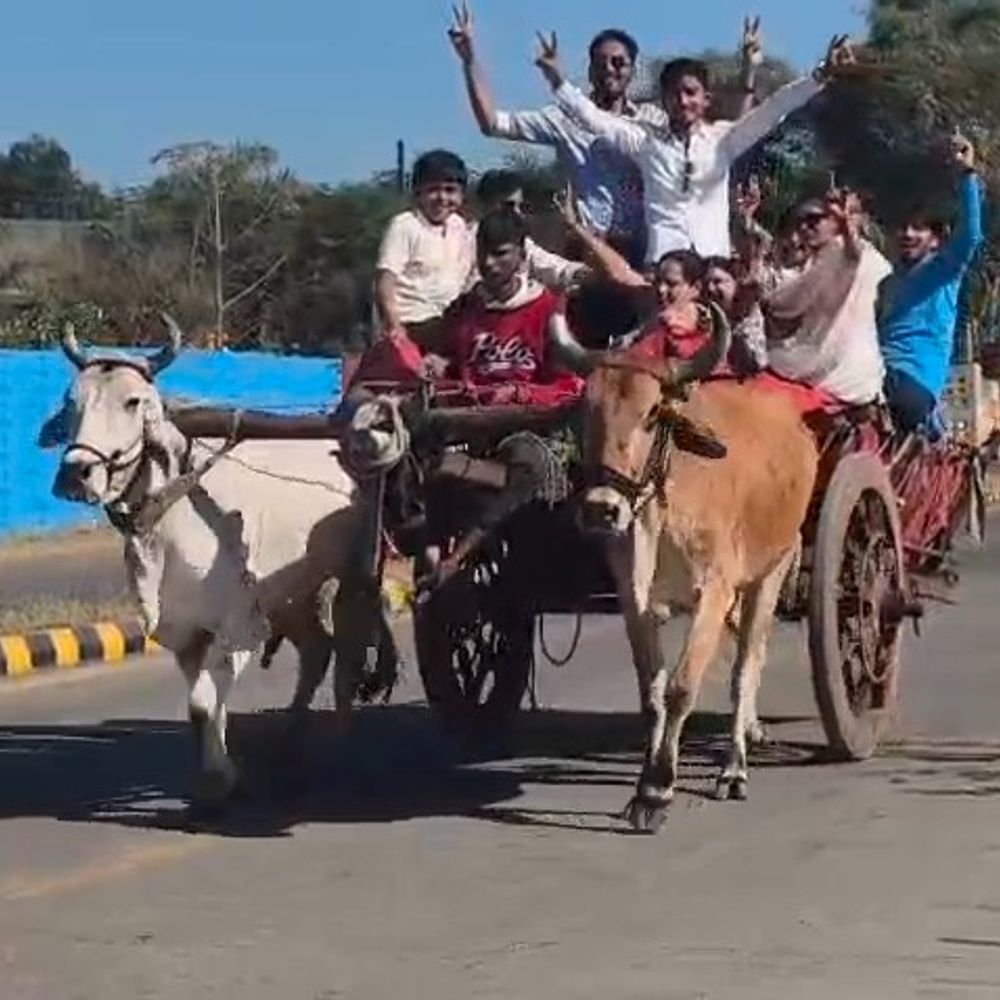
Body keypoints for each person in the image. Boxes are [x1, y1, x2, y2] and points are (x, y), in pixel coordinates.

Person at [533, 31, 857, 264]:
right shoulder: (645, 141)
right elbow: (591, 116)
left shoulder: (724, 139)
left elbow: (774, 108)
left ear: (706, 99)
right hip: (662, 271)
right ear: (663, 100)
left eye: (690, 92)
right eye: (674, 93)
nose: (683, 100)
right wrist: (558, 80)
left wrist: (820, 74)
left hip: (713, 266)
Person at [414, 208, 588, 593]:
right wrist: (436, 364)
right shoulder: (463, 311)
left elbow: (571, 387)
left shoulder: (550, 311)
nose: (490, 264)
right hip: (464, 427)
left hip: (530, 430)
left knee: (526, 464)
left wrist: (522, 392)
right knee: (406, 460)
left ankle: (458, 555)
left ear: (523, 255)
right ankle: (423, 546)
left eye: (501, 253)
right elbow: (446, 360)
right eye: (484, 254)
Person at [878, 130, 985, 432]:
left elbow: (972, 235)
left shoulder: (944, 270)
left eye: (918, 229)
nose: (908, 234)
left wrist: (966, 173)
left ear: (937, 240)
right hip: (874, 370)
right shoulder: (888, 281)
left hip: (914, 381)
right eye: (903, 228)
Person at [763, 189, 893, 407]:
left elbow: (783, 308)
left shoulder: (847, 255)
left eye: (814, 220)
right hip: (846, 374)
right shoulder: (817, 261)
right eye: (800, 222)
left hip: (836, 379)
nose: (804, 227)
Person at [373, 149, 474, 345]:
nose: (442, 198)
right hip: (412, 325)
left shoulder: (459, 226)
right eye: (433, 190)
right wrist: (394, 327)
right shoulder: (405, 225)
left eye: (450, 190)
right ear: (418, 193)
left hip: (449, 322)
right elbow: (385, 283)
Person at [471, 169, 588, 292]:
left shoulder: (519, 241)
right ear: (485, 204)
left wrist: (578, 273)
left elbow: (549, 266)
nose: (517, 213)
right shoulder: (464, 239)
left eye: (521, 206)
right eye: (508, 205)